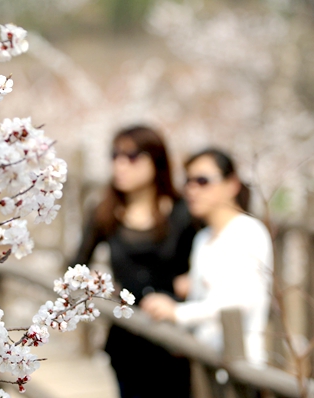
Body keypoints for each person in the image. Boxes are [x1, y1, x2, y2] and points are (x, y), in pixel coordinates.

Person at [72, 125, 197, 398]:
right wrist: (97, 285)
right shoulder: (104, 212)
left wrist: (190, 282)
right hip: (126, 336)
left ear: (156, 160)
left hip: (173, 337)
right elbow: (76, 266)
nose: (120, 165)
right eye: (115, 156)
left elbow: (202, 264)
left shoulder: (182, 213)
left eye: (131, 157)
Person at [141, 148, 273, 366]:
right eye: (188, 181)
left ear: (232, 184)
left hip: (240, 366)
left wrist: (178, 313)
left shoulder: (249, 232)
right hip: (206, 361)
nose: (192, 189)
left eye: (202, 181)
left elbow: (240, 300)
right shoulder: (202, 238)